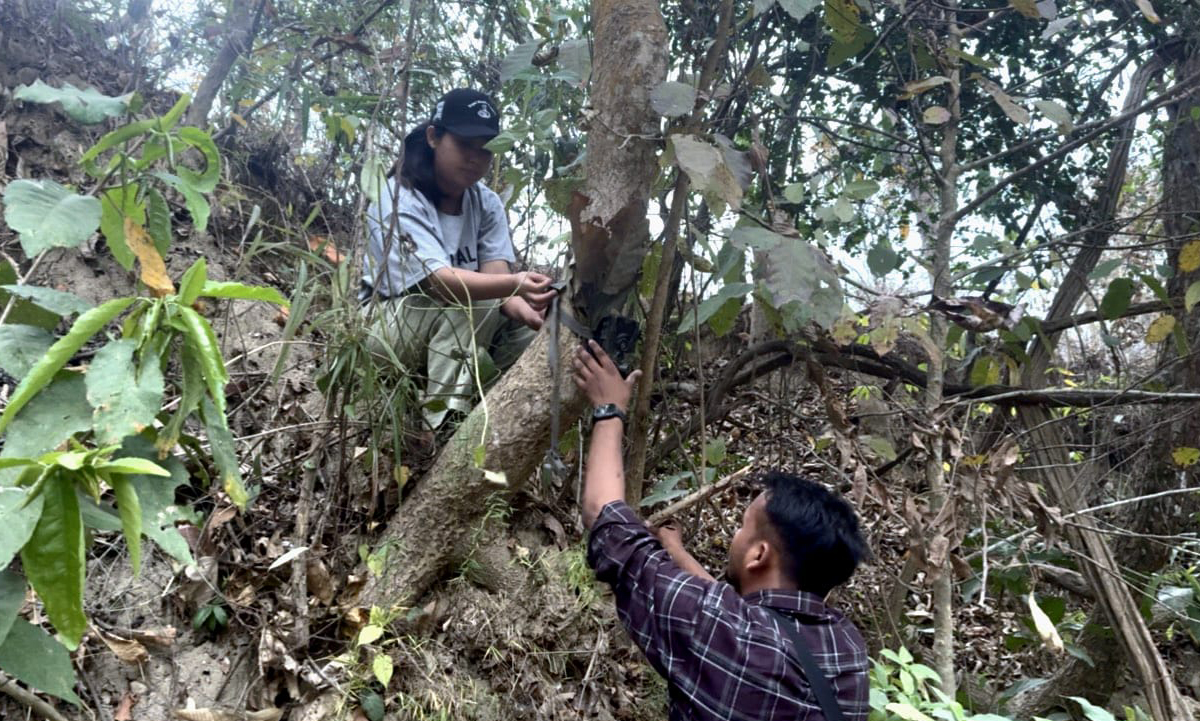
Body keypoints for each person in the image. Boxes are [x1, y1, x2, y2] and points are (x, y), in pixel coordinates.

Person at [572, 339, 870, 720]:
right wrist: (676, 553)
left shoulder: (723, 632)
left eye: (744, 527)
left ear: (759, 554)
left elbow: (604, 517)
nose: (737, 535)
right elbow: (739, 616)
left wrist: (608, 408)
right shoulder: (848, 650)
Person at [362, 88, 555, 431]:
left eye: (485, 150)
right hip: (385, 331)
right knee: (471, 302)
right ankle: (445, 427)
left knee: (530, 333)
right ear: (434, 137)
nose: (475, 158)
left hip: (452, 331)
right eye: (465, 145)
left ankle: (488, 421)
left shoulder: (486, 203)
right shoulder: (398, 198)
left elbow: (497, 281)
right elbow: (439, 282)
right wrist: (514, 283)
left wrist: (527, 309)